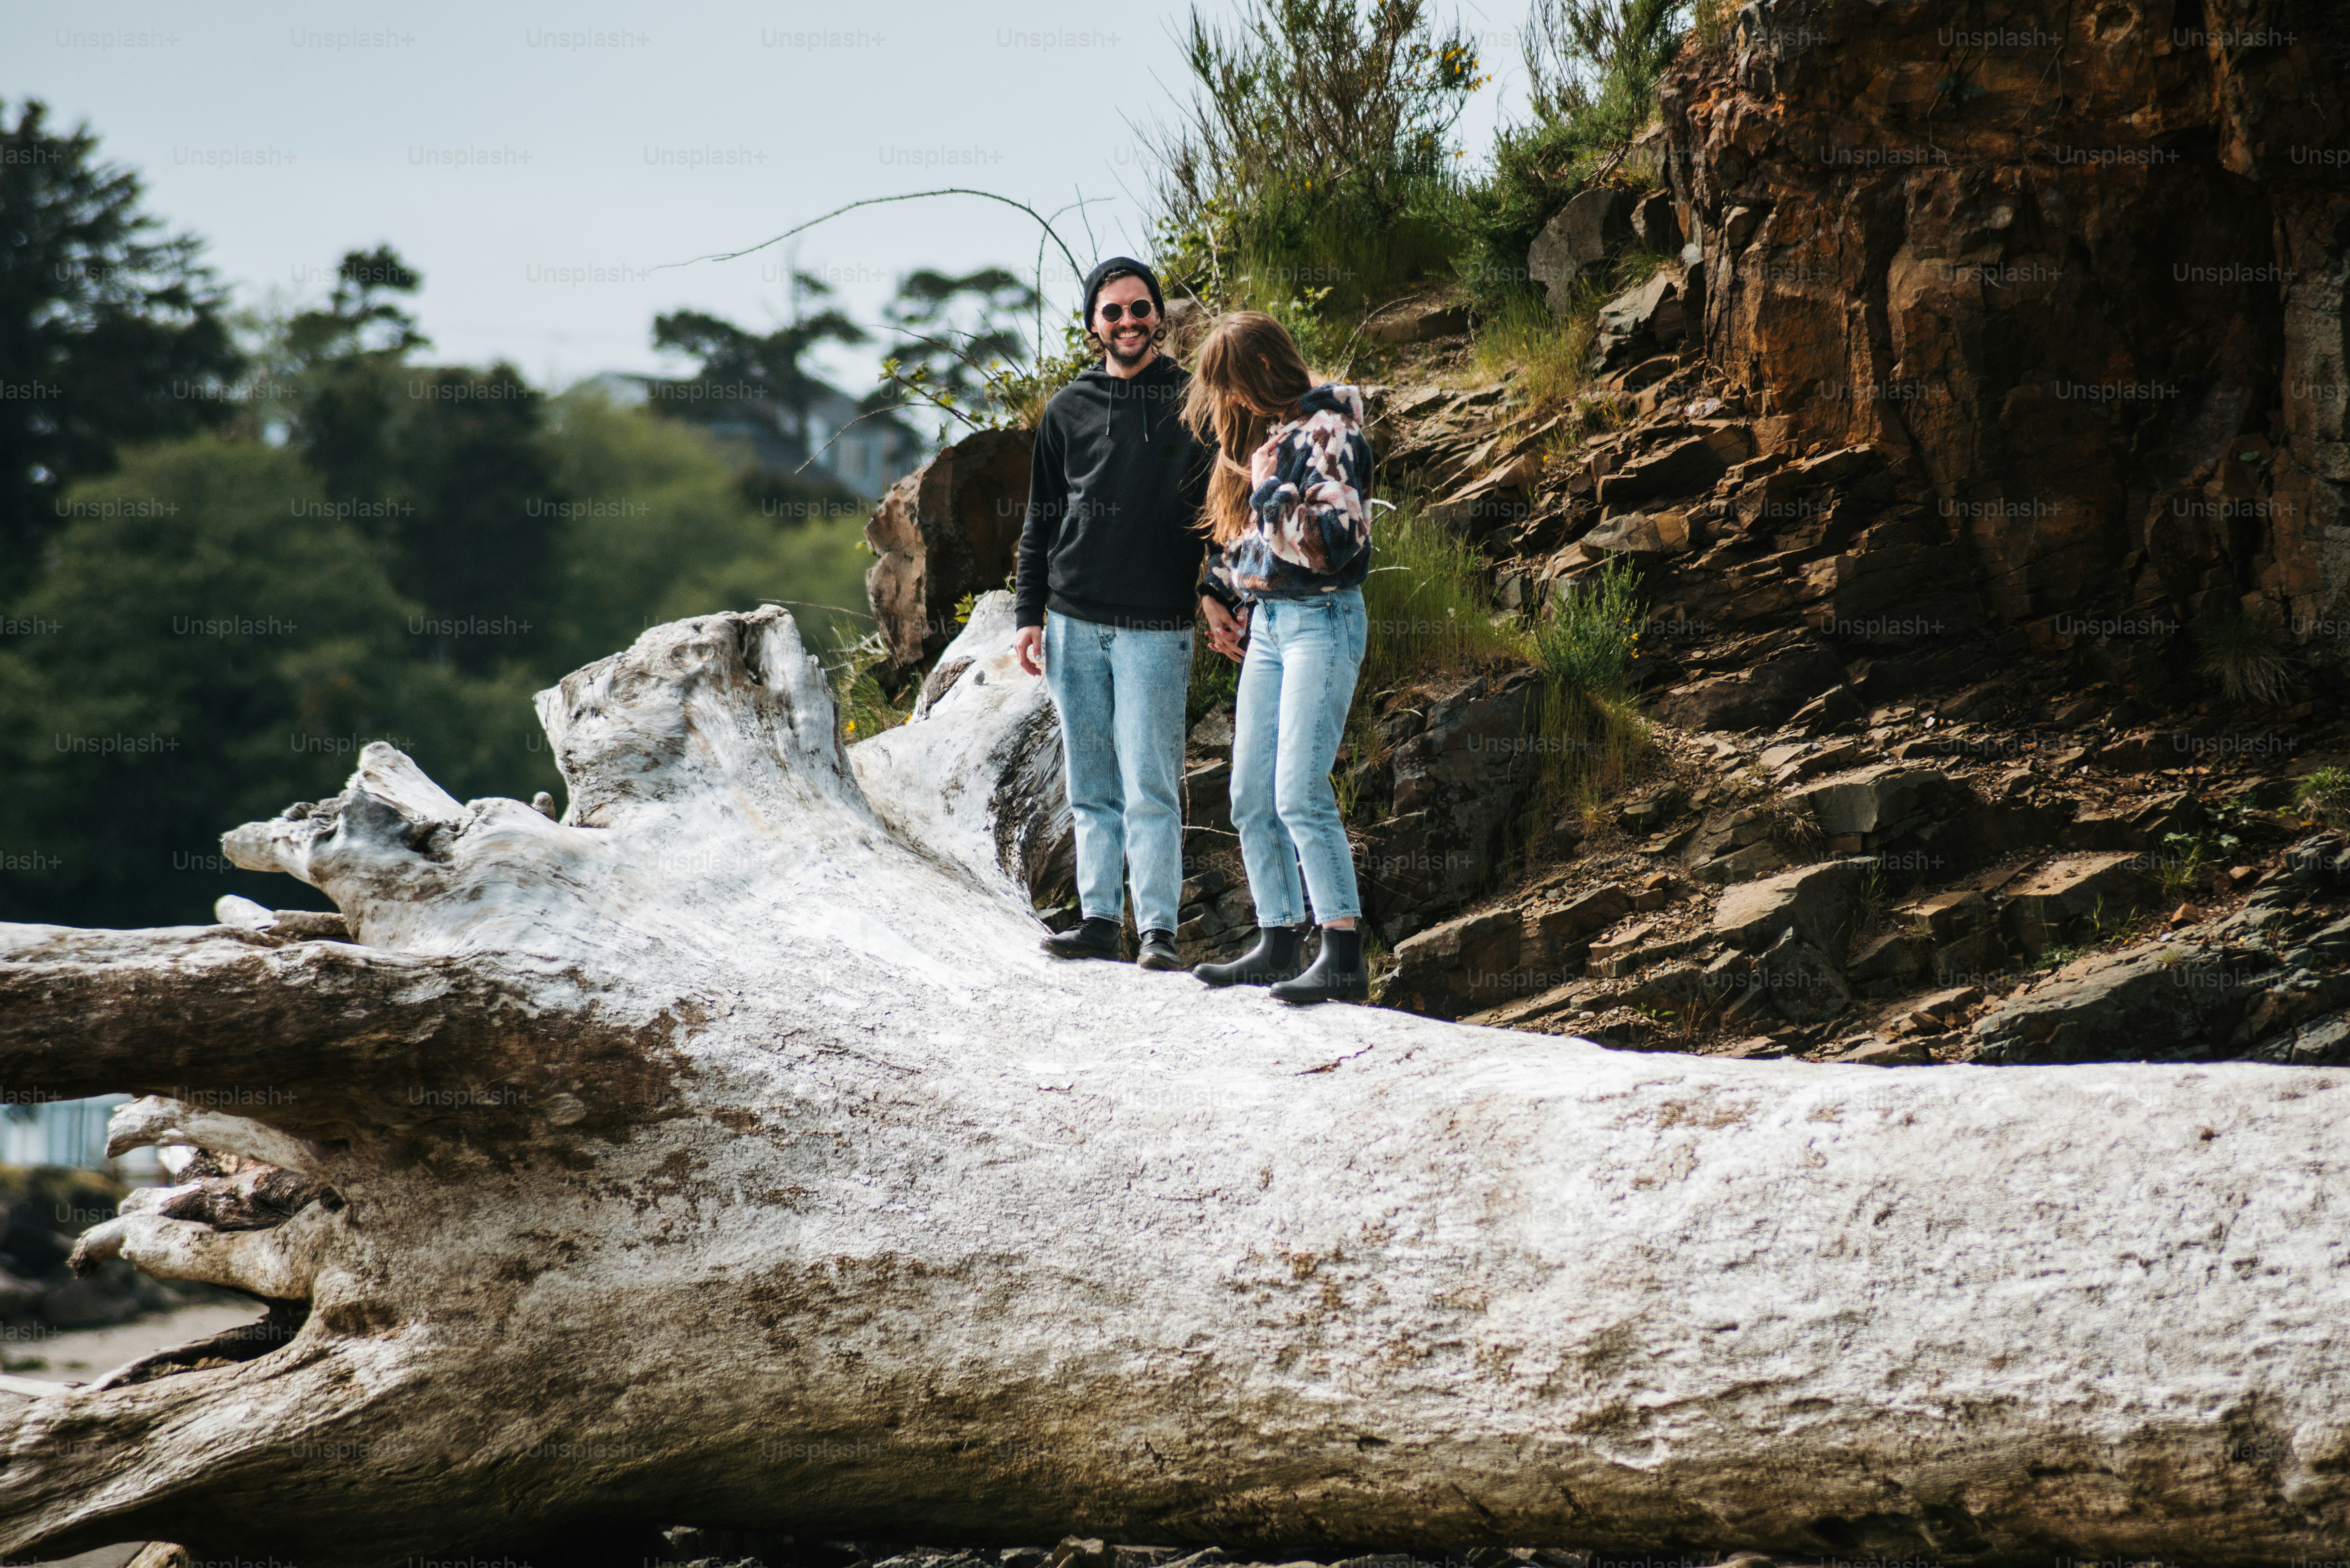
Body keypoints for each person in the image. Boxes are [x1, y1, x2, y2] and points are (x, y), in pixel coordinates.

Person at [1013, 258, 1213, 970]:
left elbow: (1220, 513)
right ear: (1093, 323)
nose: (1127, 322)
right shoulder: (1066, 408)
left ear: (1158, 316)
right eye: (1112, 312)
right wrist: (1027, 613)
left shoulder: (1195, 401)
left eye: (1139, 309)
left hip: (1158, 625)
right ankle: (1099, 919)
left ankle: (1157, 930)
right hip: (1071, 620)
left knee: (1152, 783)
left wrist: (1218, 589)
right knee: (1090, 784)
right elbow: (1040, 519)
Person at [1184, 312, 1376, 1004]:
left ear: (1264, 370)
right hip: (1268, 626)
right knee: (1248, 796)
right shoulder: (1267, 431)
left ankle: (1342, 950)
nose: (1228, 403)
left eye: (1231, 386)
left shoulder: (1330, 428)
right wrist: (1219, 591)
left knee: (1298, 791)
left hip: (1322, 619)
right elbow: (1250, 540)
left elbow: (1335, 542)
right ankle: (1276, 939)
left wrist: (1270, 489)